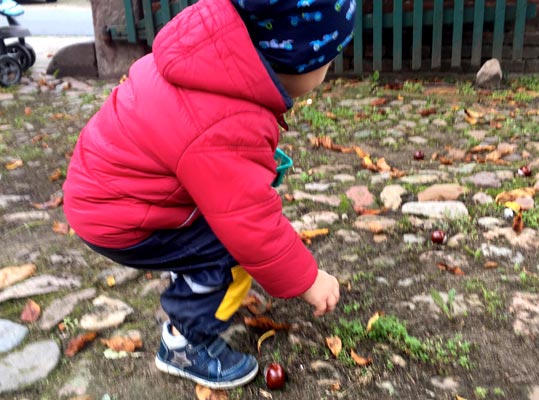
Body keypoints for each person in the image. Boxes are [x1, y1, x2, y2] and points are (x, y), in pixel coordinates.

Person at [62, 0, 356, 390]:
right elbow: (253, 229)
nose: (330, 69)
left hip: (108, 190)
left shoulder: (202, 57)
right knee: (229, 253)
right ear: (295, 57)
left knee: (222, 228)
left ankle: (184, 266)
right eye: (329, 59)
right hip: (122, 218)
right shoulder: (227, 120)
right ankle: (184, 343)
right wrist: (307, 279)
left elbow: (192, 148)